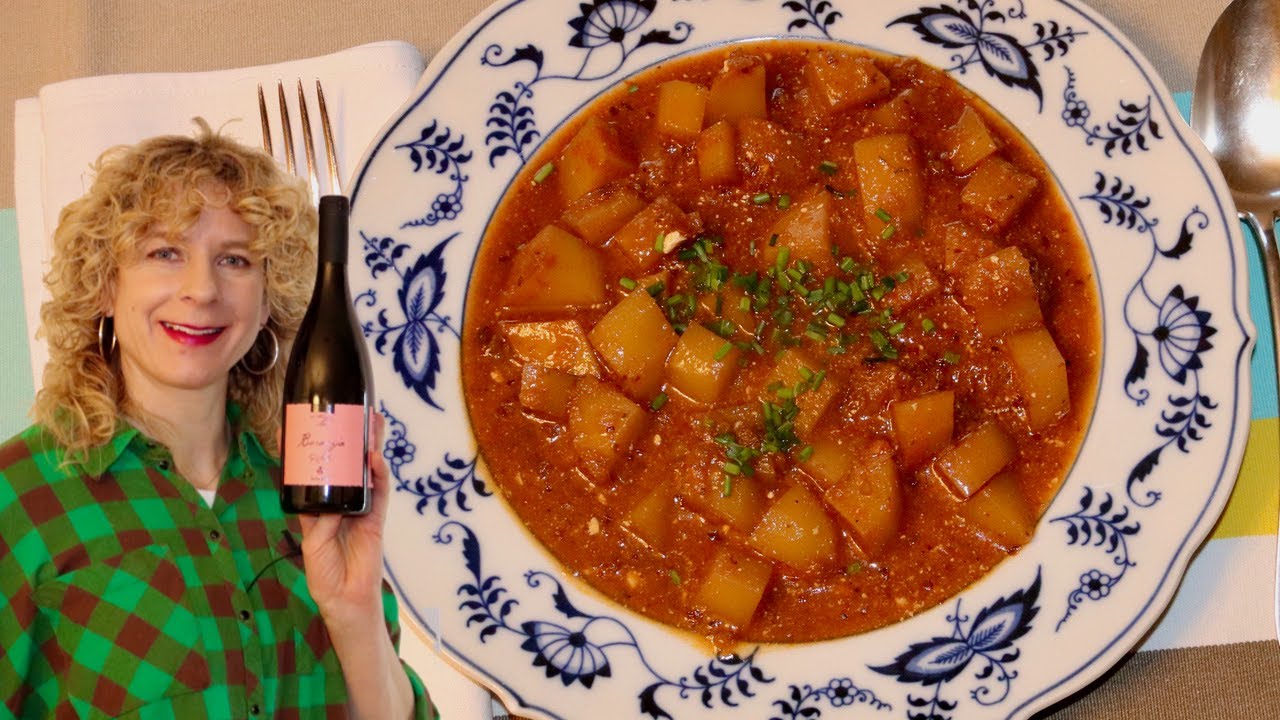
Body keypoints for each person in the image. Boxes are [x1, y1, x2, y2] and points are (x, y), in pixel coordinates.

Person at [0, 121, 433, 719]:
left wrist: (352, 608)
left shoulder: (307, 491)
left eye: (234, 259)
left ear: (266, 302)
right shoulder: (20, 497)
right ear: (104, 285)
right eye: (164, 253)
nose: (202, 289)